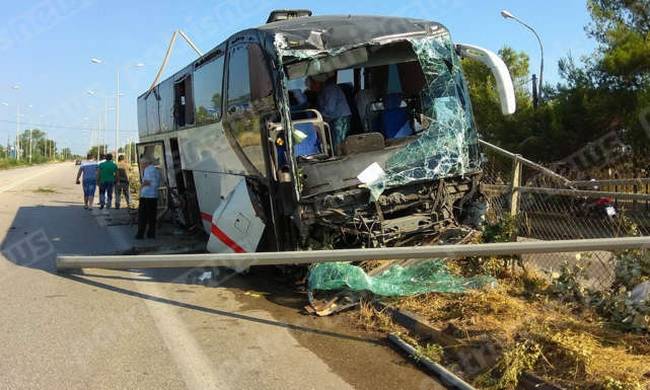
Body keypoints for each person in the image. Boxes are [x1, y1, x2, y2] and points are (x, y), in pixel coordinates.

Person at [307, 72, 352, 154]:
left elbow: (330, 108)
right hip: (331, 118)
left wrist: (319, 117)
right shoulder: (321, 92)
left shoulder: (330, 89)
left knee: (338, 142)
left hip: (340, 118)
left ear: (317, 83)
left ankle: (340, 155)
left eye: (312, 86)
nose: (311, 89)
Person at [136, 156, 161, 239]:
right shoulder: (155, 169)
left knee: (143, 216)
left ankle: (140, 234)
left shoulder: (148, 169)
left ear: (146, 163)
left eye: (142, 163)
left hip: (146, 195)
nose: (141, 165)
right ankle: (151, 234)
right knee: (152, 216)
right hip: (153, 195)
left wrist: (140, 188)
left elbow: (147, 181)